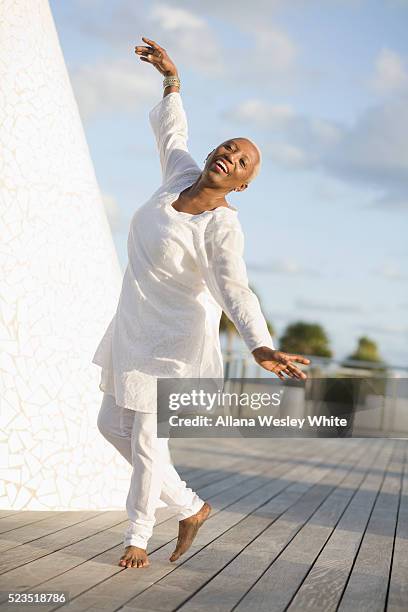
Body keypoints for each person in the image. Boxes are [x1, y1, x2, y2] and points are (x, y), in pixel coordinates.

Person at [93, 36, 311, 570]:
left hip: (175, 341)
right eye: (228, 148)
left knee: (146, 439)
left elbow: (234, 286)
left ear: (243, 182)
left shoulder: (221, 227)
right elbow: (173, 133)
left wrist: (260, 344)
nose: (228, 156)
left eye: (242, 161)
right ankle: (191, 507)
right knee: (110, 425)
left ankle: (138, 537)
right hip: (134, 326)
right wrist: (172, 79)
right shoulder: (179, 177)